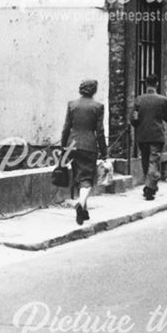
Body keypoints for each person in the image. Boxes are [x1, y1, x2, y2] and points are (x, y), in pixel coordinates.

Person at [61, 79, 107, 225]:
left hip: (72, 144)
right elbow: (100, 131)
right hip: (89, 146)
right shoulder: (98, 106)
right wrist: (104, 151)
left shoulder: (72, 105)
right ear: (94, 90)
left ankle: (84, 211)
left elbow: (66, 127)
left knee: (78, 176)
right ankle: (80, 204)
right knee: (86, 179)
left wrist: (63, 147)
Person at [131, 75, 167, 201]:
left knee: (145, 160)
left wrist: (138, 123)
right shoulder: (162, 100)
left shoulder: (139, 99)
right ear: (157, 84)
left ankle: (149, 186)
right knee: (154, 161)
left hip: (142, 135)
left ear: (146, 84)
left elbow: (133, 119)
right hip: (156, 135)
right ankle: (150, 187)